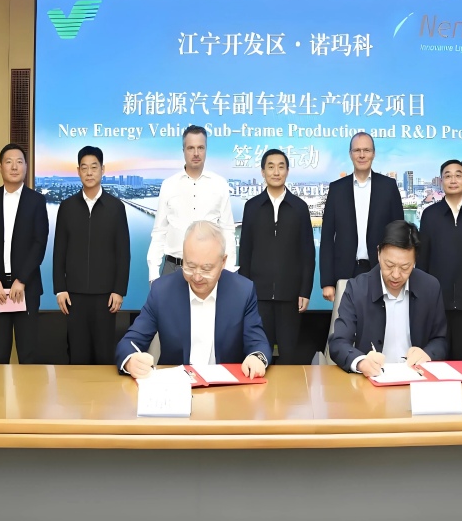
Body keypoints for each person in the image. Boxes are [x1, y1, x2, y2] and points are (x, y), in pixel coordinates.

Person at [116, 221, 271, 378]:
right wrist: (131, 360)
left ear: (223, 262)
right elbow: (130, 342)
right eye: (190, 266)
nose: (197, 277)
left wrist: (256, 358)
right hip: (177, 385)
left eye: (206, 269)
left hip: (227, 386)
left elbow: (258, 343)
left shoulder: (242, 291)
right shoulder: (162, 291)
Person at [329, 220, 447, 376]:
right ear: (378, 253)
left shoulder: (430, 287)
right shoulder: (357, 289)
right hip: (372, 380)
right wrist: (361, 362)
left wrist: (428, 354)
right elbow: (338, 342)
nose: (396, 275)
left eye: (405, 267)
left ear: (415, 261)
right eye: (389, 265)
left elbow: (440, 340)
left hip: (416, 379)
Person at [53, 146, 131, 365]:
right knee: (77, 353)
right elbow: (59, 251)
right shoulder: (67, 207)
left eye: (94, 167)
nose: (89, 173)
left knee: (104, 353)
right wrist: (60, 288)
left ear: (102, 170)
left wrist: (119, 290)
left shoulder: (116, 207)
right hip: (74, 295)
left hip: (106, 296)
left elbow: (123, 252)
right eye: (84, 168)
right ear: (78, 171)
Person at [238, 149, 315, 364]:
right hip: (258, 296)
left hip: (290, 296)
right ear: (263, 172)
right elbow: (245, 252)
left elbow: (308, 253)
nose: (276, 172)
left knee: (289, 356)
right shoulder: (252, 207)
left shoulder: (299, 207)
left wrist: (305, 290)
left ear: (287, 171)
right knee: (259, 355)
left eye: (281, 167)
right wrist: (244, 292)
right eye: (270, 167)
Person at [0, 143, 49, 364]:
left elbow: (39, 243)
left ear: (26, 166)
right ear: (0, 167)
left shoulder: (36, 201)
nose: (14, 167)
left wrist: (22, 280)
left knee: (28, 356)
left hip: (26, 288)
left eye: (19, 162)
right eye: (9, 162)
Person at [416, 159, 462, 361]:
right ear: (441, 181)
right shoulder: (430, 215)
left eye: (458, 175)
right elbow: (422, 260)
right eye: (447, 176)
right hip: (437, 301)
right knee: (437, 359)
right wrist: (421, 297)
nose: (453, 180)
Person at [319, 132, 403, 304]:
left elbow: (399, 234)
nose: (362, 155)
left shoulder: (388, 187)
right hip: (345, 273)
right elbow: (327, 238)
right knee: (345, 320)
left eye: (367, 150)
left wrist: (398, 272)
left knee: (381, 321)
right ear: (350, 154)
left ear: (374, 153)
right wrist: (327, 282)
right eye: (357, 150)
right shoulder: (337, 189)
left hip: (382, 272)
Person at [147, 125, 235, 282]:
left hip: (209, 270)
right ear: (183, 150)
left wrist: (229, 273)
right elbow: (159, 232)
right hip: (174, 268)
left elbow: (227, 231)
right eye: (191, 148)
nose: (196, 153)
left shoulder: (220, 184)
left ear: (206, 149)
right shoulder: (169, 185)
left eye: (200, 147)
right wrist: (153, 274)